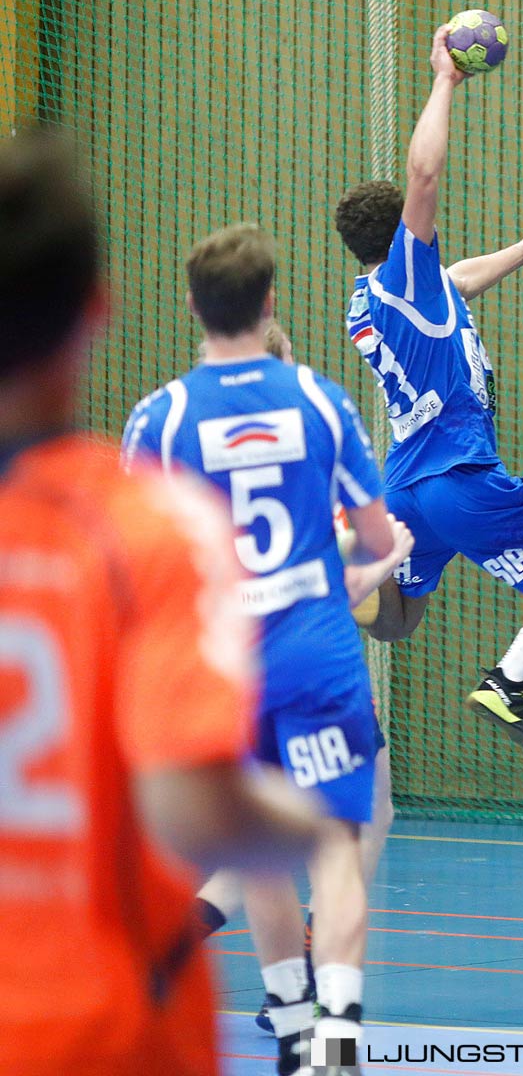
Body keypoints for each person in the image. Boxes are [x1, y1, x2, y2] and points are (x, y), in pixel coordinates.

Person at [0, 128, 325, 1075]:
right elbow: (193, 807)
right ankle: (300, 1015)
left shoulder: (163, 455)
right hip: (101, 1026)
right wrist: (323, 829)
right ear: (94, 312)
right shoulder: (146, 530)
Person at [122, 223, 413, 1073]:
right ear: (272, 302)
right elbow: (372, 536)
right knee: (334, 844)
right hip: (316, 653)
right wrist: (363, 567)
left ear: (192, 308)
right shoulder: (321, 401)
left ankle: (288, 1022)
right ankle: (337, 1035)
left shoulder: (161, 418)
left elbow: (142, 557)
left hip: (223, 667)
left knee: (252, 847)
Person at [333, 23, 523, 756]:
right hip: (462, 474)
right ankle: (509, 682)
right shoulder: (407, 270)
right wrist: (445, 80)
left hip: (406, 487)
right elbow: (424, 179)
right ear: (400, 233)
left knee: (396, 620)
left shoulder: (371, 300)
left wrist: (519, 254)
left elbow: (457, 282)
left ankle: (336, 582)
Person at [186, 318, 398, 1039]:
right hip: (316, 669)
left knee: (261, 837)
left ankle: (280, 992)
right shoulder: (315, 450)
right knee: (347, 831)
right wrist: (380, 561)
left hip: (230, 671)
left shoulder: (189, 449)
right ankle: (315, 992)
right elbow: (366, 586)